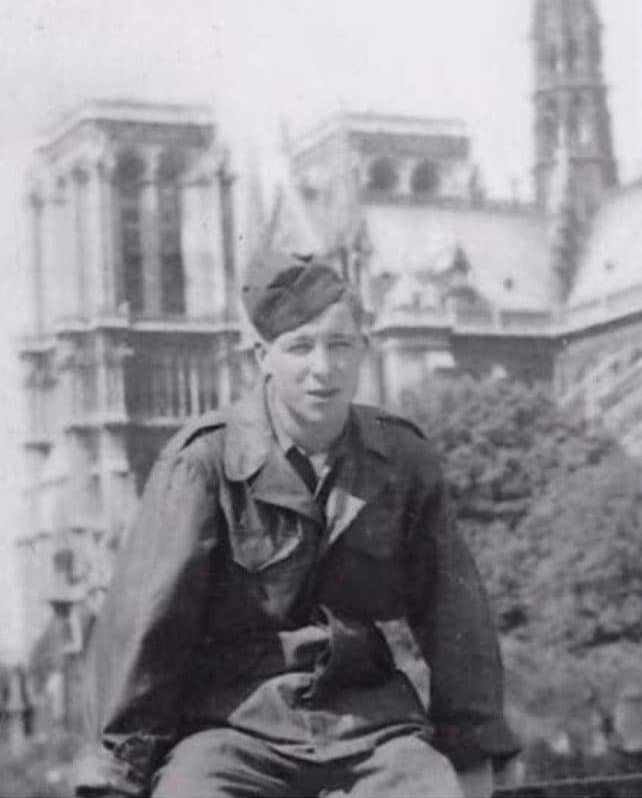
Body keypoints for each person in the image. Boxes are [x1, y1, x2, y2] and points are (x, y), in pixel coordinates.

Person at [78, 251, 519, 798]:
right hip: (231, 729)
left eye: (340, 345)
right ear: (263, 356)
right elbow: (148, 625)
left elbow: (453, 611)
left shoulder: (403, 458)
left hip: (371, 727)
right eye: (300, 347)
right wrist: (121, 770)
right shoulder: (204, 463)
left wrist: (474, 744)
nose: (323, 368)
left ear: (364, 349)